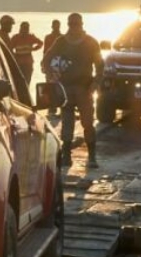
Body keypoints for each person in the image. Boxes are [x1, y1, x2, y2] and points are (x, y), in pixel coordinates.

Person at [42, 13, 103, 168]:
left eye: (76, 24)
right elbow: (46, 60)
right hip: (66, 89)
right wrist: (50, 76)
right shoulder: (61, 42)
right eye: (71, 24)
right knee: (67, 123)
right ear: (68, 25)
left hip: (85, 89)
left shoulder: (91, 42)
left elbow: (100, 65)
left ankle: (92, 157)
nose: (74, 27)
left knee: (88, 123)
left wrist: (96, 82)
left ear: (81, 24)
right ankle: (67, 156)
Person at [9, 21, 43, 88]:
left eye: (26, 28)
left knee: (27, 82)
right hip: (18, 62)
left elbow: (41, 43)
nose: (25, 30)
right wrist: (14, 55)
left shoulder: (30, 37)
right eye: (24, 28)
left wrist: (34, 49)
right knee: (18, 81)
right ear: (21, 28)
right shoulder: (16, 37)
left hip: (28, 62)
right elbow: (10, 48)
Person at [42, 19, 63, 115]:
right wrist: (44, 65)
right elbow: (45, 51)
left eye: (57, 26)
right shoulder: (48, 37)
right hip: (50, 64)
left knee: (61, 85)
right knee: (50, 85)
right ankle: (52, 107)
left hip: (60, 64)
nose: (56, 27)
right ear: (52, 26)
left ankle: (62, 105)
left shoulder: (63, 37)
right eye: (55, 26)